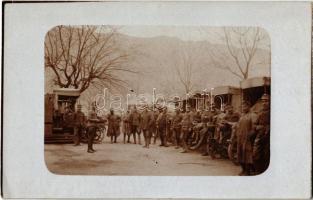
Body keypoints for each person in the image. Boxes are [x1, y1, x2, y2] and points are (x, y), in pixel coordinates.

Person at [236, 101, 258, 175]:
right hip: (240, 138)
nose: (243, 108)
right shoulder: (242, 116)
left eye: (245, 106)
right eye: (242, 106)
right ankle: (243, 170)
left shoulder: (253, 115)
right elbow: (238, 126)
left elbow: (254, 128)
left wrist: (249, 136)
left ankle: (248, 171)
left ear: (249, 107)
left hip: (248, 138)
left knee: (247, 155)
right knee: (240, 154)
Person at [253, 94, 270, 175]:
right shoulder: (260, 113)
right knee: (256, 153)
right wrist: (258, 127)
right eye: (263, 101)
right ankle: (258, 171)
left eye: (266, 101)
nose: (264, 103)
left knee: (267, 155)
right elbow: (255, 125)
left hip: (270, 137)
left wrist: (268, 127)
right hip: (260, 136)